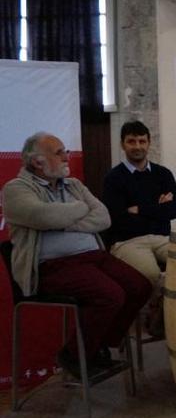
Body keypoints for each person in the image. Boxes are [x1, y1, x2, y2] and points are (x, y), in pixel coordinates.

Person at [3, 132, 152, 379]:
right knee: (110, 295)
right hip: (52, 266)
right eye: (59, 152)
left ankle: (99, 345)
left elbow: (103, 217)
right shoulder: (15, 189)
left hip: (93, 257)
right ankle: (74, 355)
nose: (66, 157)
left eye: (65, 151)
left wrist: (63, 221)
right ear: (37, 161)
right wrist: (81, 209)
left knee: (139, 286)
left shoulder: (73, 185)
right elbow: (44, 217)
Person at [103, 121, 176, 287]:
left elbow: (175, 210)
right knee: (150, 275)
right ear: (122, 145)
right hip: (128, 242)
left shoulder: (163, 174)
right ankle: (150, 313)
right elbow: (118, 220)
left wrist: (140, 209)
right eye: (131, 141)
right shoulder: (113, 178)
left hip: (162, 238)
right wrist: (158, 209)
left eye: (142, 141)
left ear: (149, 143)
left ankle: (174, 311)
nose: (137, 146)